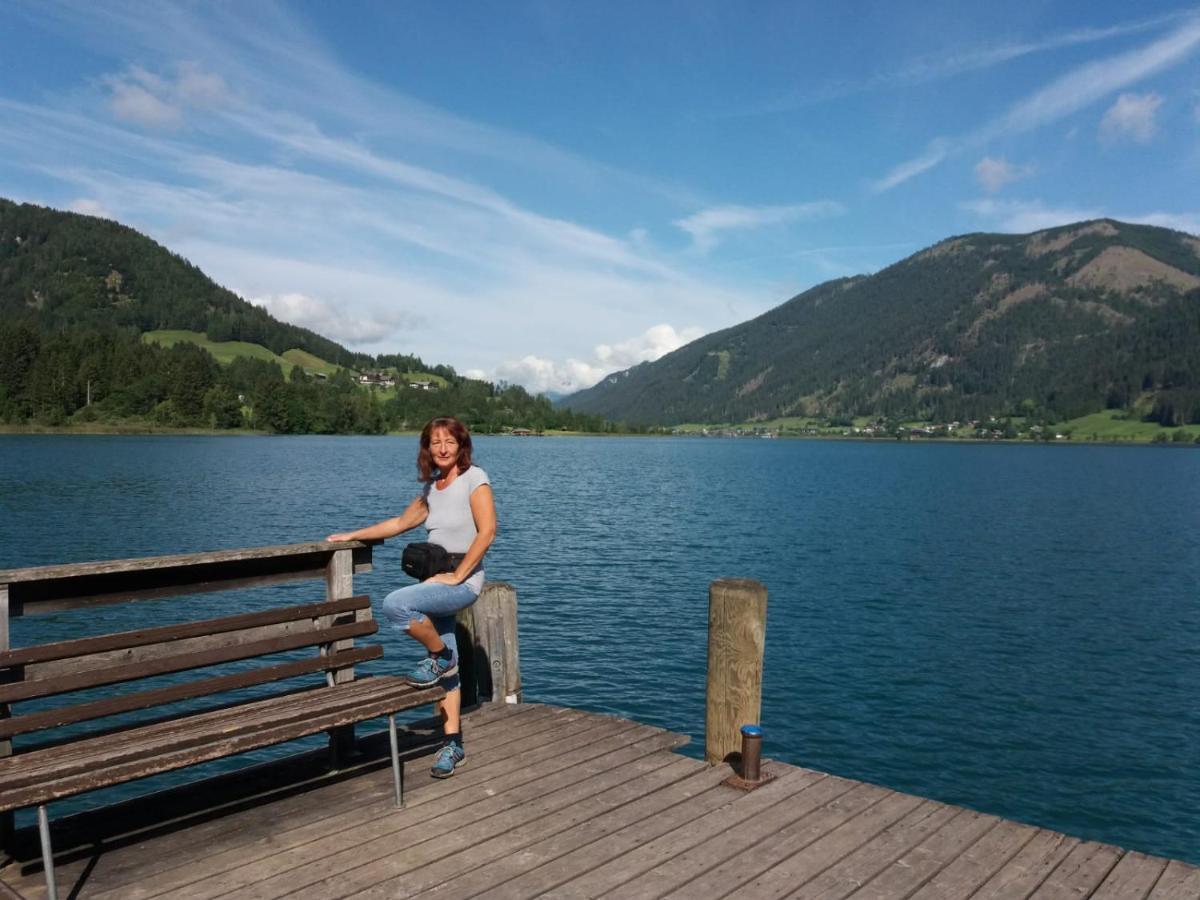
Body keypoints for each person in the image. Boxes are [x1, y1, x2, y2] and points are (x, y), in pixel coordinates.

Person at [326, 416, 496, 778]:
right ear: (427, 450)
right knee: (449, 678)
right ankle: (453, 746)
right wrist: (350, 535)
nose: (443, 448)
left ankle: (441, 654)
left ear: (461, 445)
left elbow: (488, 531)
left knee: (396, 605)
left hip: (461, 582)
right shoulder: (432, 491)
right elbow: (398, 523)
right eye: (435, 442)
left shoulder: (474, 479)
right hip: (438, 581)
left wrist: (459, 574)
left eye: (449, 441)